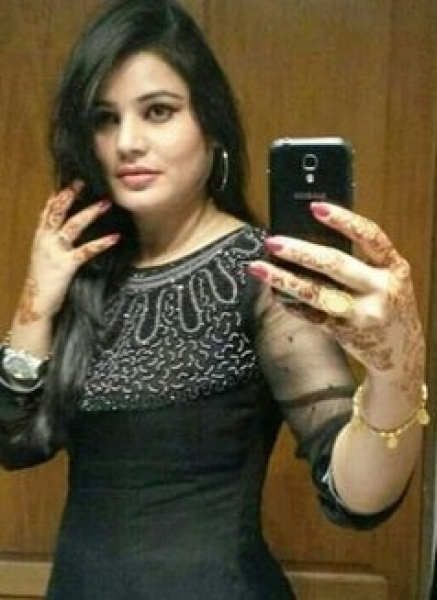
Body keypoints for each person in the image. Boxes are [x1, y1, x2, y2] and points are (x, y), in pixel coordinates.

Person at [0, 0, 428, 598]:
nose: (127, 142)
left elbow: (354, 498)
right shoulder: (87, 270)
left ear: (211, 122)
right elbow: (16, 444)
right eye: (104, 118)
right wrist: (36, 303)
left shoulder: (262, 273)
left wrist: (397, 370)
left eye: (158, 111)